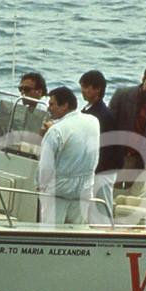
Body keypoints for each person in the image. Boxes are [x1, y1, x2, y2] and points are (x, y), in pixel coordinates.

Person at [36, 86, 100, 225]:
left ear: (64, 106)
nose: (48, 108)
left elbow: (45, 168)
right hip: (83, 190)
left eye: (52, 104)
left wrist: (40, 186)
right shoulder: (93, 122)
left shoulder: (55, 132)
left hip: (58, 193)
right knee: (77, 234)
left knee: (51, 234)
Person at [107, 67, 146, 191]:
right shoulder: (122, 94)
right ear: (143, 79)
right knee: (109, 194)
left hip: (139, 161)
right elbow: (108, 125)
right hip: (117, 156)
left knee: (132, 201)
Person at [79, 69, 121, 222]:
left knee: (101, 206)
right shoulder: (89, 110)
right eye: (82, 86)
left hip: (103, 168)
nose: (82, 91)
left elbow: (105, 146)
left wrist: (94, 167)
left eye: (86, 87)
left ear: (97, 89)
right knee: (93, 206)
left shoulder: (102, 114)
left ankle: (105, 234)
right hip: (97, 167)